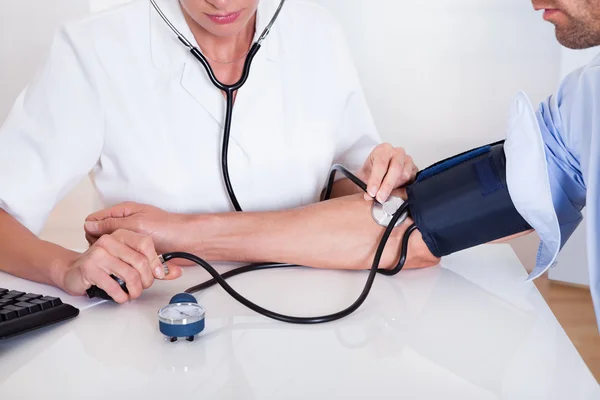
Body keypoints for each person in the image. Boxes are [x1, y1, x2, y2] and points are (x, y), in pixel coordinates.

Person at [0, 0, 440, 304]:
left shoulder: (316, 32)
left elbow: (360, 198)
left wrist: (382, 176)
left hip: (324, 318)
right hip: (154, 329)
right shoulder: (94, 49)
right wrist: (67, 268)